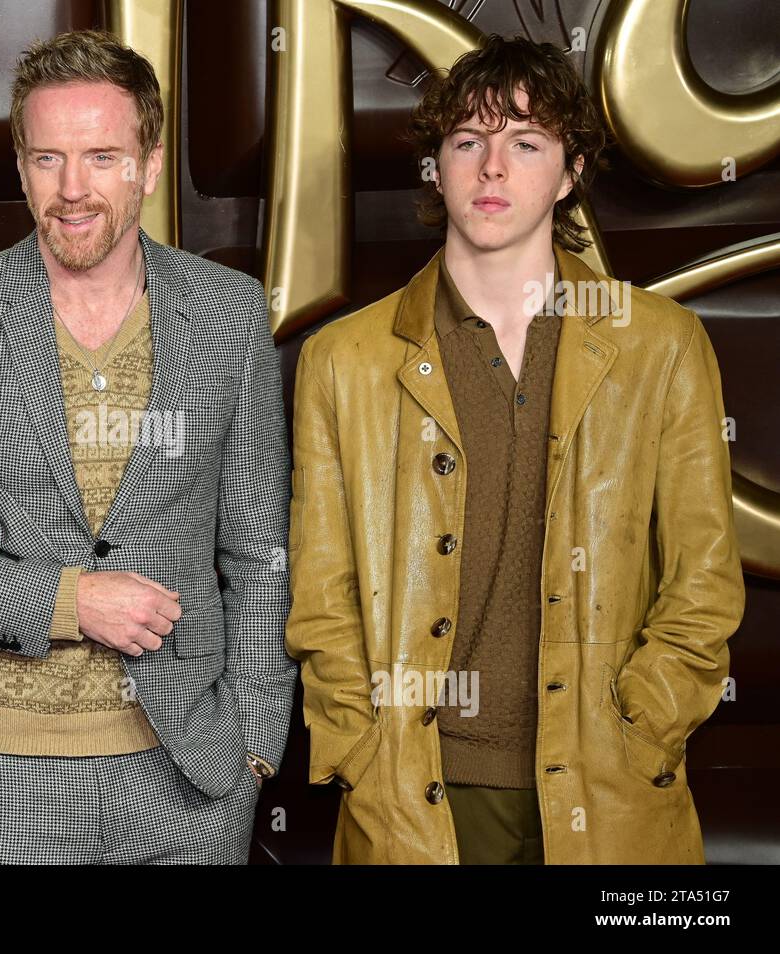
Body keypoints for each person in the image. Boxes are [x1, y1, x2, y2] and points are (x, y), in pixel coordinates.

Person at [0, 30, 296, 864]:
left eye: (102, 157)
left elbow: (258, 551)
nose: (72, 189)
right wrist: (65, 600)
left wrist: (255, 748)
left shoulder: (229, 316)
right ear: (19, 167)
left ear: (150, 166)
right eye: (47, 159)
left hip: (188, 780)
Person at [285, 35, 744, 864]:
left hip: (610, 786)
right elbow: (323, 594)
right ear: (436, 166)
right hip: (415, 791)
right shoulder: (344, 360)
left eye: (525, 142)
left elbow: (703, 581)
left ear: (570, 173)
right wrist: (358, 745)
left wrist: (645, 724)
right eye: (468, 141)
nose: (492, 168)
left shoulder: (659, 345)